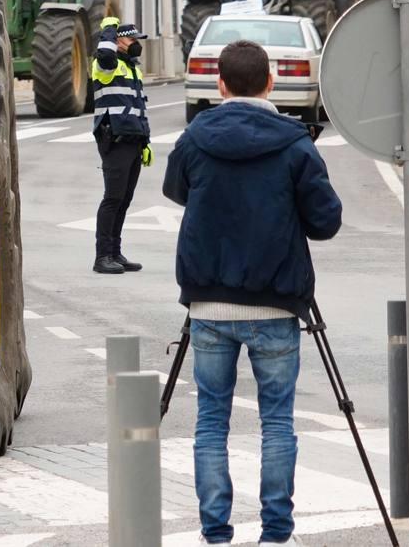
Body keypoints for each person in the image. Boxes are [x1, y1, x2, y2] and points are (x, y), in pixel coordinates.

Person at [164, 39, 342, 545]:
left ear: (220, 84)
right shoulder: (294, 144)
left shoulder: (195, 140)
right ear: (271, 83)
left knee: (211, 421)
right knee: (277, 423)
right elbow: (326, 222)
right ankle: (275, 534)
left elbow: (175, 190)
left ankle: (215, 533)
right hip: (276, 302)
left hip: (209, 302)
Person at [90, 16, 149, 274]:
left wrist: (145, 140)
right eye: (131, 38)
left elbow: (139, 107)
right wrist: (108, 31)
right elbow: (105, 55)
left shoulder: (133, 68)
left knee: (124, 199)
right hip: (114, 138)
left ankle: (115, 252)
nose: (136, 43)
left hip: (133, 140)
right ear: (117, 41)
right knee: (112, 199)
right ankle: (102, 256)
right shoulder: (106, 65)